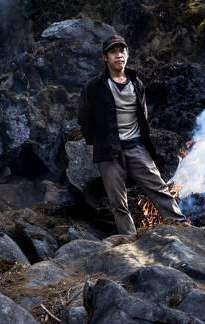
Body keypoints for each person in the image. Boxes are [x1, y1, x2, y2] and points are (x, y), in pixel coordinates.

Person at [78, 34, 186, 235]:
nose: (119, 55)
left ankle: (182, 226)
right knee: (118, 201)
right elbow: (84, 117)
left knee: (159, 188)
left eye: (122, 51)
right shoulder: (94, 87)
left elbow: (142, 114)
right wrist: (97, 141)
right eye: (113, 52)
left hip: (136, 146)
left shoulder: (136, 83)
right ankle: (129, 238)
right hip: (109, 152)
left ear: (127, 54)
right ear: (105, 58)